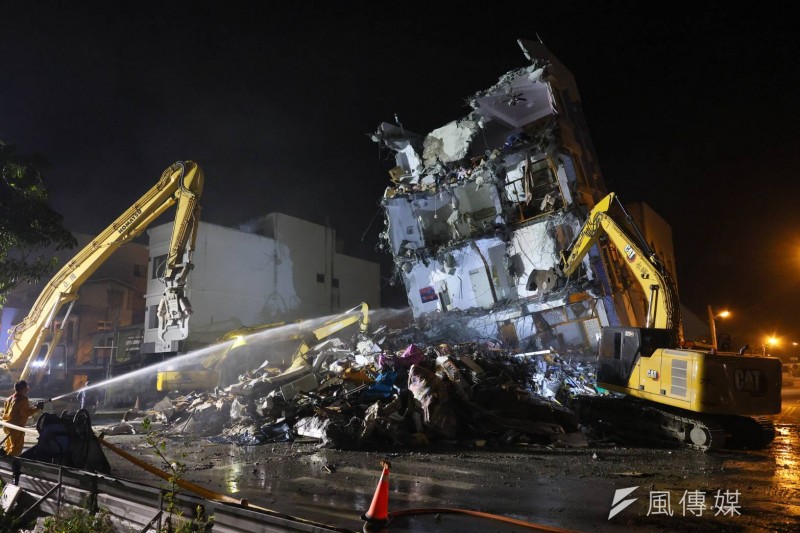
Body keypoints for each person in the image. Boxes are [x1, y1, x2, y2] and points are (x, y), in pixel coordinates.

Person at [2, 380, 45, 456]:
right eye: (27, 387)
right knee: (16, 449)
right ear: (23, 388)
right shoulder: (22, 399)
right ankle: (11, 464)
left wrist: (35, 406)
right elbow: (25, 413)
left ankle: (4, 458)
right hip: (16, 428)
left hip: (7, 426)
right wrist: (37, 408)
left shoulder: (9, 398)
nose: (28, 388)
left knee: (8, 446)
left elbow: (17, 411)